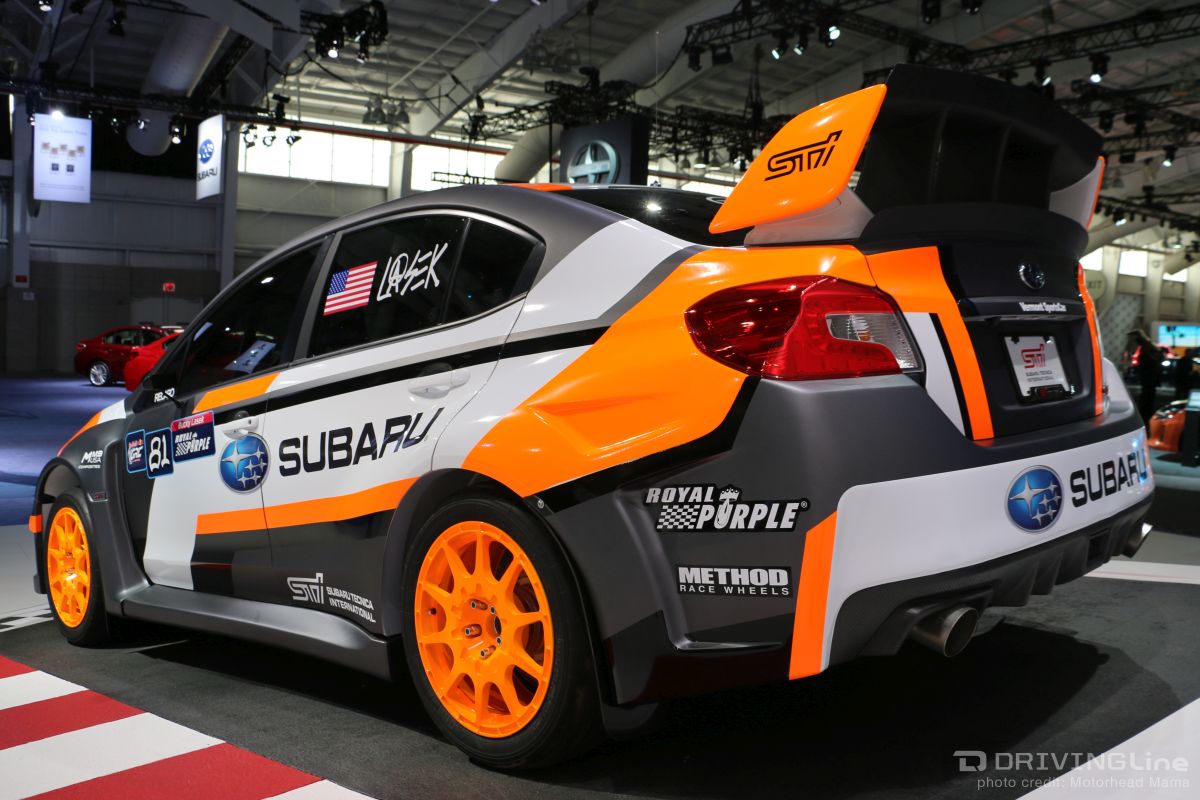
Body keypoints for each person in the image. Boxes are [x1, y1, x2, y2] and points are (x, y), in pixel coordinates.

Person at [1130, 330, 1161, 429]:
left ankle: (1144, 414)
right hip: (1149, 378)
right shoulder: (1148, 352)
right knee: (1148, 397)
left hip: (1148, 378)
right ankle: (1145, 414)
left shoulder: (1146, 352)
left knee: (1146, 397)